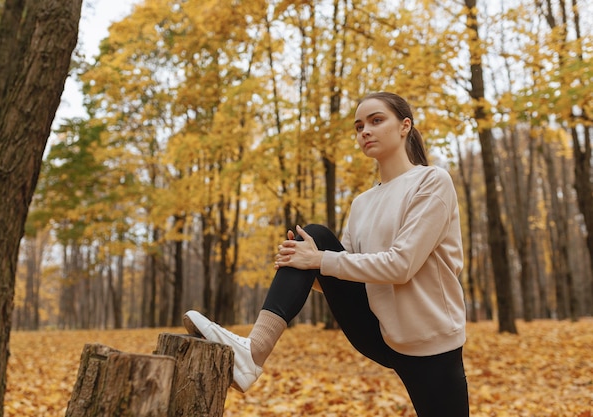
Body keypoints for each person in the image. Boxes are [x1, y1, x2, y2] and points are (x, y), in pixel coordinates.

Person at [184, 92, 469, 417]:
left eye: (376, 121)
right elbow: (349, 271)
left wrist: (317, 261)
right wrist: (304, 267)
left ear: (405, 126)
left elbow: (401, 266)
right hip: (379, 332)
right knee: (314, 236)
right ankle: (253, 352)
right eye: (359, 126)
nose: (365, 131)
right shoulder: (362, 203)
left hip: (430, 340)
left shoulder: (432, 182)